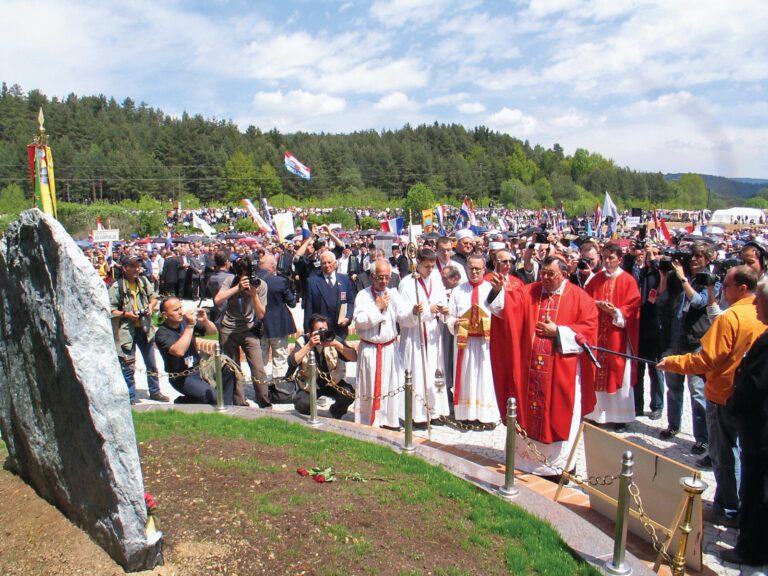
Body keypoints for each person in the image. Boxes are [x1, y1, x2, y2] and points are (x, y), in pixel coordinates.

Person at [658, 266, 765, 527]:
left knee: (724, 454)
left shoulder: (731, 318)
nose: (721, 290)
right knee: (742, 452)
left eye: (726, 285)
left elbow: (706, 359)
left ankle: (727, 507)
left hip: (724, 395)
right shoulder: (759, 312)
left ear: (742, 288)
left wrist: (672, 362)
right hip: (751, 398)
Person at [496, 256, 598, 477]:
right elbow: (506, 307)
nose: (545, 278)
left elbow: (589, 332)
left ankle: (557, 469)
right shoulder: (530, 291)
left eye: (551, 274)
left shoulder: (580, 298)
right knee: (526, 411)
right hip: (530, 372)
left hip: (563, 373)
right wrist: (497, 291)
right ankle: (524, 463)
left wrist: (559, 332)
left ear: (565, 274)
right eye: (543, 273)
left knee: (561, 413)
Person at [721, 279, 768, 565]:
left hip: (761, 432)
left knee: (756, 492)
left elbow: (755, 385)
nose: (754, 305)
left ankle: (752, 549)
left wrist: (733, 403)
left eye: (758, 300)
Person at [656, 243, 719, 456]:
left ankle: (702, 438)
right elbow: (662, 300)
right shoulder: (677, 275)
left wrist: (683, 278)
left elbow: (699, 302)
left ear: (708, 259)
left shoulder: (711, 280)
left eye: (699, 256)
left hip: (695, 342)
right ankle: (673, 425)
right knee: (673, 388)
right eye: (692, 256)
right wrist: (666, 277)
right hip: (674, 338)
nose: (693, 260)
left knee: (697, 393)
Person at [583, 243, 640, 431]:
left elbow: (632, 306)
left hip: (617, 335)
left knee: (618, 371)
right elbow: (585, 300)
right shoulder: (596, 279)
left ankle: (619, 417)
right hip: (598, 334)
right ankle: (596, 413)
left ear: (620, 259)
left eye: (611, 258)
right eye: (605, 257)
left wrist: (615, 311)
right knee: (595, 370)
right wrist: (596, 305)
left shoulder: (628, 280)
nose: (607, 261)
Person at [446, 254, 505, 427]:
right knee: (466, 377)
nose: (474, 272)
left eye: (478, 269)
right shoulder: (458, 291)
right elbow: (449, 316)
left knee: (485, 377)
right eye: (471, 268)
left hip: (485, 344)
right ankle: (466, 415)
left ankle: (486, 416)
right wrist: (455, 323)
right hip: (465, 343)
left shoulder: (491, 289)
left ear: (484, 269)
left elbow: (500, 312)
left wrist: (486, 321)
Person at [353, 259, 412, 429]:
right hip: (370, 349)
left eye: (387, 277)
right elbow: (359, 322)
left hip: (389, 348)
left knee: (391, 385)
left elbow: (403, 315)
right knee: (369, 386)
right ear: (372, 277)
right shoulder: (363, 296)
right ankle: (368, 420)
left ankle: (389, 420)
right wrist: (377, 308)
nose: (384, 281)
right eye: (380, 277)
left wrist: (414, 311)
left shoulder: (393, 294)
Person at [208, 253, 271, 407]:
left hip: (249, 329)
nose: (246, 279)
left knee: (258, 367)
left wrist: (254, 295)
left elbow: (261, 314)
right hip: (228, 329)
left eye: (248, 276)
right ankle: (239, 402)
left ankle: (264, 400)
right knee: (233, 367)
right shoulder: (230, 280)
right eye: (242, 276)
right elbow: (217, 300)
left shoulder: (261, 284)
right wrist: (237, 288)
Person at [398, 249, 450, 426]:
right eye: (426, 266)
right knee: (417, 370)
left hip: (433, 332)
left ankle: (435, 411)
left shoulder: (436, 279)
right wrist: (421, 310)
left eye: (432, 266)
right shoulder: (407, 283)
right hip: (415, 334)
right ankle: (417, 414)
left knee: (435, 371)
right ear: (417, 263)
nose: (429, 269)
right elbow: (402, 313)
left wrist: (443, 309)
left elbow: (442, 300)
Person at [109, 255, 169, 404]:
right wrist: (126, 314)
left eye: (138, 266)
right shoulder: (117, 287)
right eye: (133, 266)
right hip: (127, 331)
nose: (137, 269)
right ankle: (129, 395)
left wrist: (149, 307)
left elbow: (154, 297)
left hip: (145, 329)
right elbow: (110, 310)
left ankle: (155, 392)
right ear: (125, 268)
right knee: (128, 365)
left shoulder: (143, 282)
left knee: (151, 363)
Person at [154, 298, 235, 405]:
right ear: (165, 314)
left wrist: (205, 320)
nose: (180, 312)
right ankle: (184, 402)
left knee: (227, 369)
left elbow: (212, 332)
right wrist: (190, 326)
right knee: (212, 397)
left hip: (199, 368)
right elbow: (179, 351)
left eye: (180, 308)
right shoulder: (162, 333)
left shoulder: (184, 322)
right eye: (175, 310)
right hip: (182, 376)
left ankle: (225, 405)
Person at [289, 314, 357, 419]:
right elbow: (292, 361)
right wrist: (309, 345)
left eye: (324, 331)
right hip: (309, 385)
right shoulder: (303, 341)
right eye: (318, 332)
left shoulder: (332, 338)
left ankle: (335, 412)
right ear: (310, 332)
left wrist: (336, 344)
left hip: (332, 383)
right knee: (302, 403)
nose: (322, 334)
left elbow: (354, 357)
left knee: (348, 393)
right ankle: (311, 415)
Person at [258, 253, 297, 380]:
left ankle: (261, 388)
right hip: (278, 325)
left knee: (260, 360)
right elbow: (292, 303)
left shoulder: (251, 280)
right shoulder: (279, 281)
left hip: (258, 326)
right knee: (280, 358)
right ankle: (279, 388)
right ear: (273, 266)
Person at [303, 251, 355, 339]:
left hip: (340, 331)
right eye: (324, 263)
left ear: (335, 263)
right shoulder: (312, 282)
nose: (327, 265)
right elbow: (308, 308)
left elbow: (350, 302)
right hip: (320, 332)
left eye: (329, 262)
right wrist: (308, 331)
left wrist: (348, 318)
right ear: (320, 265)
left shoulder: (345, 280)